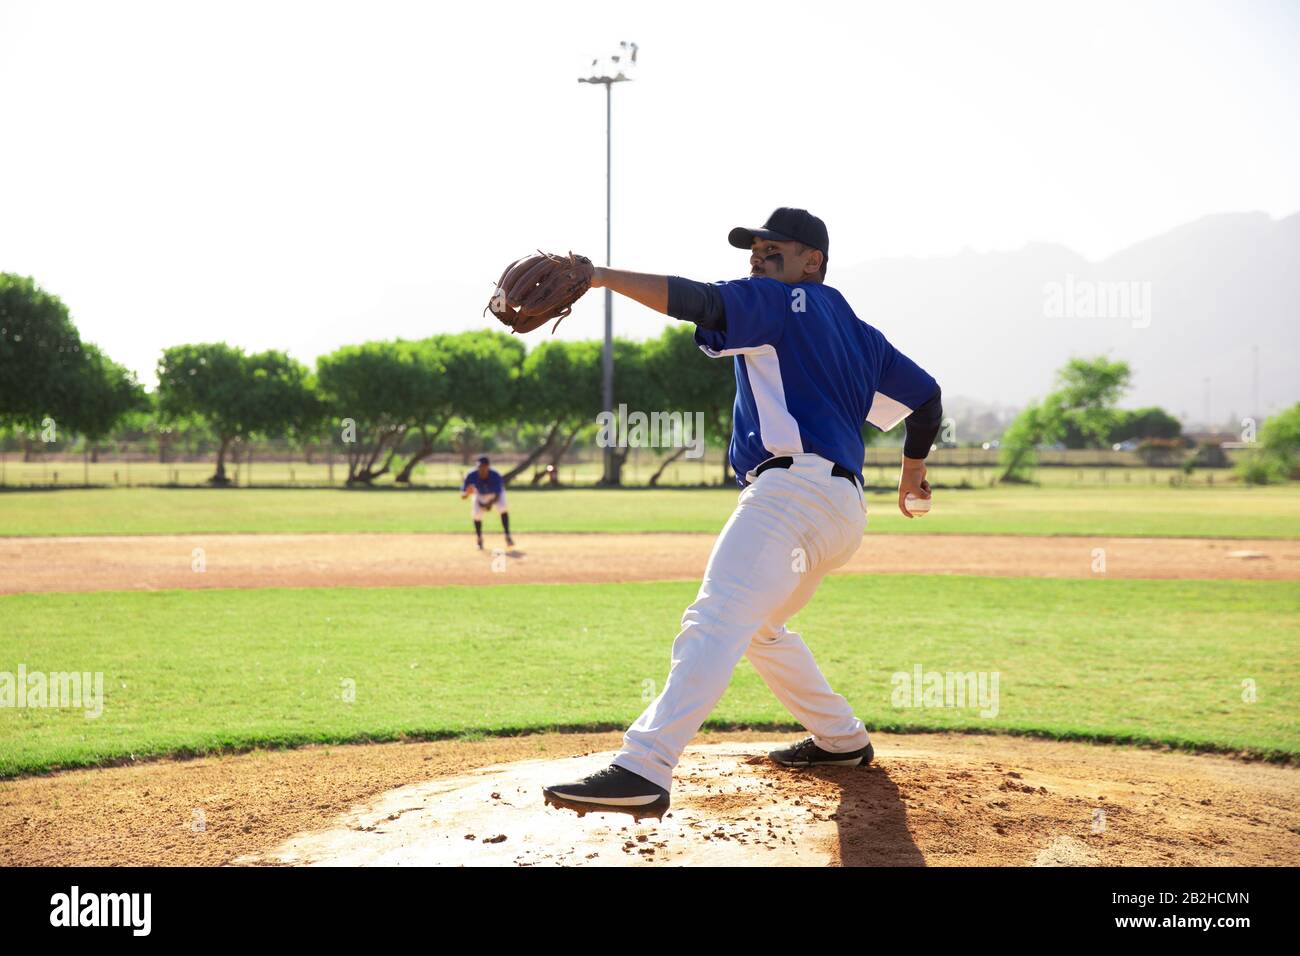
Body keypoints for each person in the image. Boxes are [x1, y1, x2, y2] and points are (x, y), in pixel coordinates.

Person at [542, 208, 943, 818]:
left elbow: (700, 302)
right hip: (842, 511)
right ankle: (840, 739)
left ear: (814, 259)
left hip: (792, 494)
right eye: (753, 249)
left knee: (717, 616)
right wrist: (912, 473)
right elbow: (927, 398)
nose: (758, 255)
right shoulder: (861, 333)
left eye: (773, 247)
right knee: (757, 627)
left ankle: (644, 768)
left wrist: (599, 275)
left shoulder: (782, 302)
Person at [460, 456, 513, 550]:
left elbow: (497, 495)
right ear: (477, 467)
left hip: (496, 494)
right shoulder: (471, 475)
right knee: (476, 514)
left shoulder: (495, 475)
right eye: (480, 467)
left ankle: (507, 535)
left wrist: (488, 505)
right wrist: (467, 493)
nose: (482, 469)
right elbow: (463, 496)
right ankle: (479, 539)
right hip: (480, 493)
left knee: (503, 507)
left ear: (488, 467)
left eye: (484, 467)